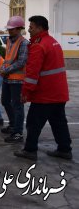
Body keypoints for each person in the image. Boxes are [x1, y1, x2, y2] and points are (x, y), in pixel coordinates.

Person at [14, 16, 72, 161]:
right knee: (59, 122)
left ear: (40, 28)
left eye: (31, 27)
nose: (29, 30)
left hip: (45, 94)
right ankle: (65, 149)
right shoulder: (53, 42)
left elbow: (32, 74)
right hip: (59, 93)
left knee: (34, 122)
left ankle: (30, 150)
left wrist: (25, 92)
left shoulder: (38, 46)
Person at [0, 16, 29, 143]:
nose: (9, 31)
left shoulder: (24, 43)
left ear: (19, 29)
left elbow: (22, 62)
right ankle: (12, 125)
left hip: (17, 80)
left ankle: (18, 133)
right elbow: (7, 58)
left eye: (12, 29)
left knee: (17, 106)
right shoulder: (9, 41)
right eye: (9, 29)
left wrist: (5, 70)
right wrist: (2, 68)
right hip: (7, 78)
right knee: (5, 101)